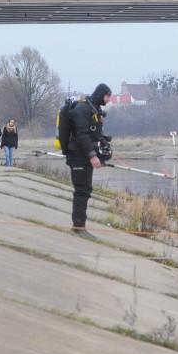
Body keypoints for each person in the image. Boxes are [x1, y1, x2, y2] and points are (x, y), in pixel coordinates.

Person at [62, 83, 112, 238]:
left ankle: (79, 226)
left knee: (85, 189)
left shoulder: (94, 108)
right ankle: (78, 227)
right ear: (101, 94)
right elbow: (82, 135)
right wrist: (93, 155)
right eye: (107, 96)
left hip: (83, 154)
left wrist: (103, 149)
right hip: (77, 155)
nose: (109, 100)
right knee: (82, 190)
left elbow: (94, 134)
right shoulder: (83, 109)